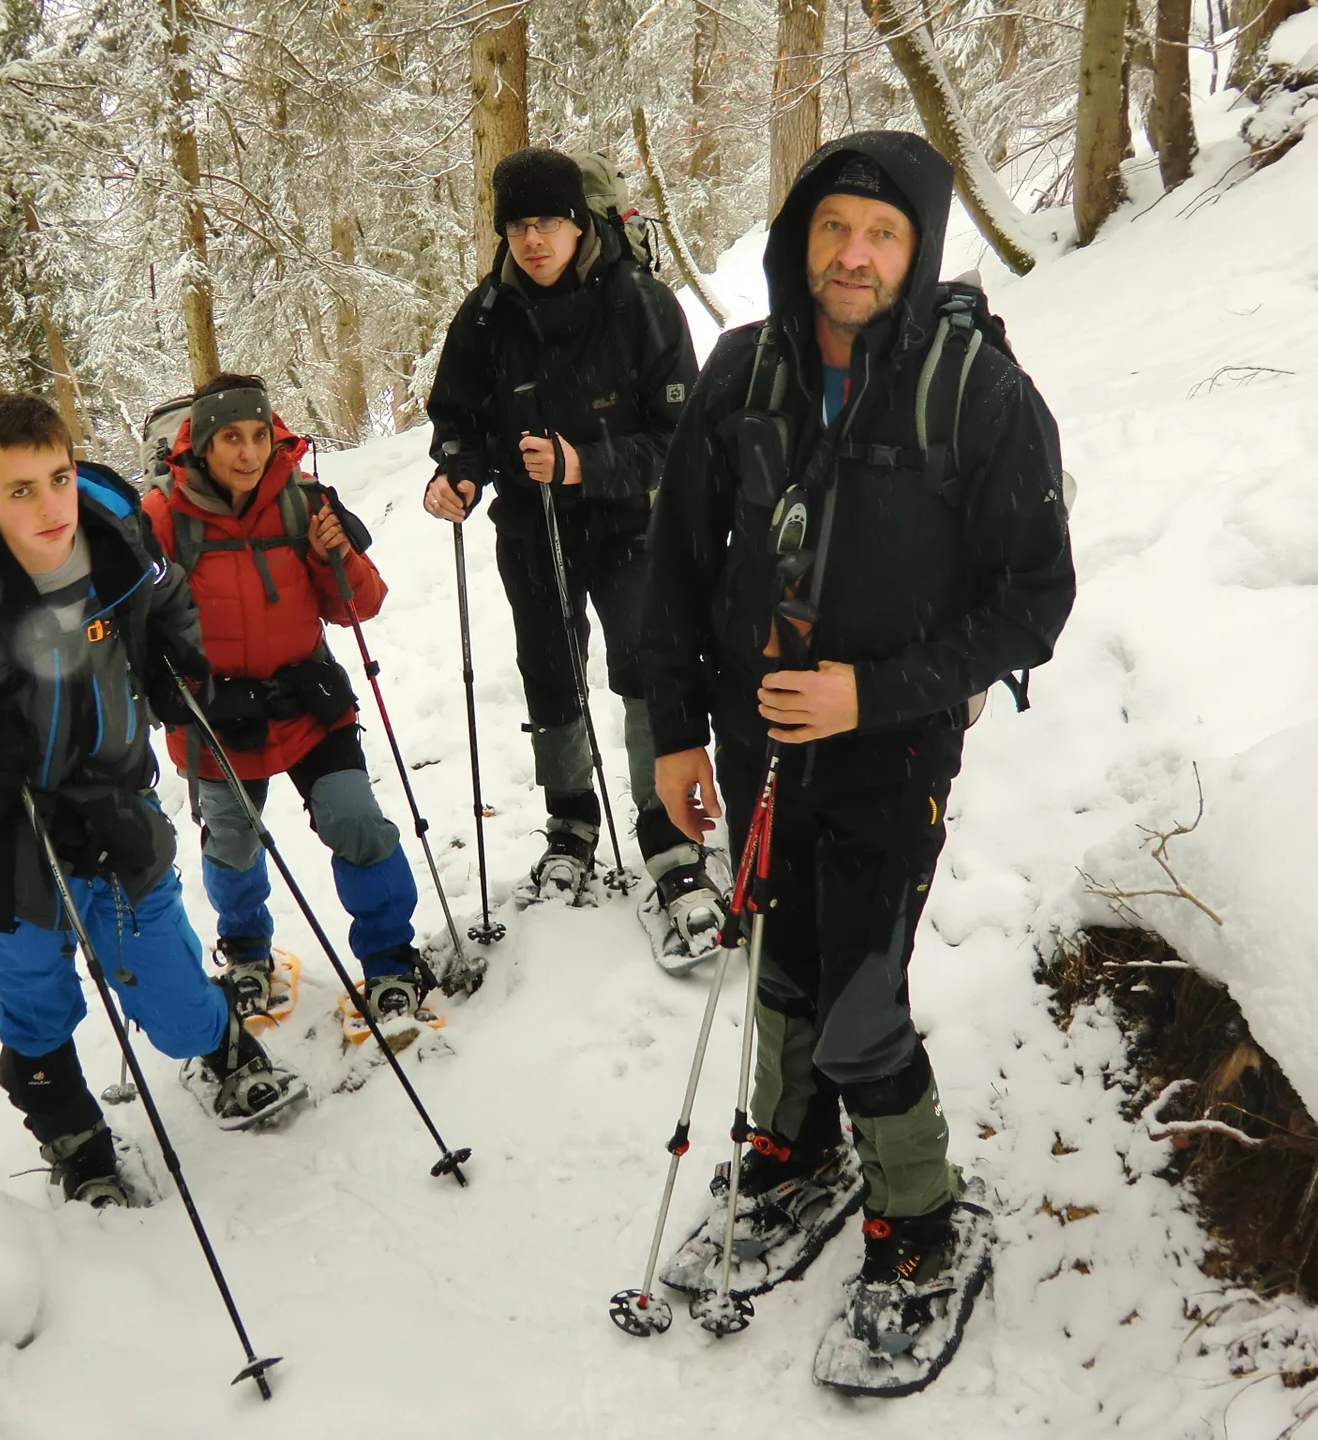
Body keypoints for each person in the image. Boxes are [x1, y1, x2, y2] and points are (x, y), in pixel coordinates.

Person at [642, 133, 1075, 1379]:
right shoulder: (743, 369)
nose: (854, 254)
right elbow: (676, 565)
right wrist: (671, 732)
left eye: (883, 234)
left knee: (858, 998)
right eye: (833, 226)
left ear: (917, 251)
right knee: (781, 951)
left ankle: (921, 1222)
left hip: (893, 752)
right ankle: (794, 1155)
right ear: (799, 238)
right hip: (751, 737)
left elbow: (1033, 602)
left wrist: (871, 693)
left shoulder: (978, 393)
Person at [0, 392, 288, 1208]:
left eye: (57, 478)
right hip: (13, 843)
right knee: (39, 1007)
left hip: (122, 819)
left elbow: (170, 599)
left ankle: (215, 1041)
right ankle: (70, 1131)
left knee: (178, 1006)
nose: (51, 506)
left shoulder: (120, 541)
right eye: (20, 490)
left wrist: (174, 662)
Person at [423, 146, 717, 953]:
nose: (533, 240)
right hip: (530, 528)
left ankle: (669, 839)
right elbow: (457, 420)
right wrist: (457, 475)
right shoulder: (485, 316)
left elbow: (682, 440)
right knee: (549, 675)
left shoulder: (642, 305)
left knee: (647, 672)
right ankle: (571, 824)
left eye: (548, 221)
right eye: (518, 225)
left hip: (630, 527)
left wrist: (587, 464)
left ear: (580, 223)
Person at [143, 372, 435, 1047]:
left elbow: (360, 606)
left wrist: (337, 555)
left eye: (257, 436)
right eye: (230, 438)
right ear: (201, 444)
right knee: (233, 839)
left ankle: (390, 960)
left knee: (355, 819)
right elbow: (137, 619)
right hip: (216, 715)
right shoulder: (162, 519)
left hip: (306, 700)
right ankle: (247, 951)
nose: (248, 453)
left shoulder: (303, 502)